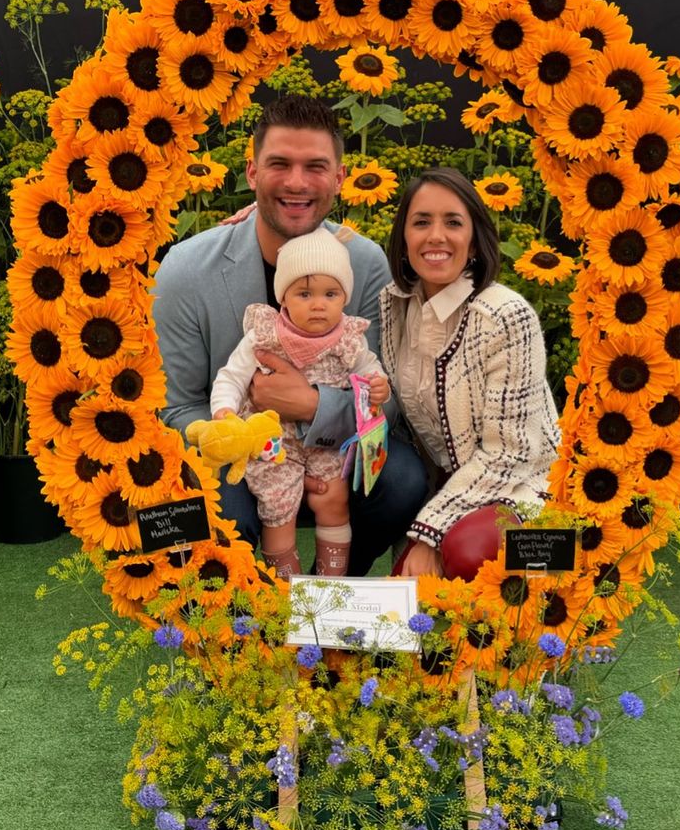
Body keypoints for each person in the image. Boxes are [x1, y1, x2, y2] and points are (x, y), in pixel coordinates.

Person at [154, 95, 428, 574]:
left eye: (316, 166)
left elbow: (387, 398)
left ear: (340, 178)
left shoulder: (364, 265)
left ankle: (339, 591)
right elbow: (177, 406)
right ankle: (254, 607)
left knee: (403, 478)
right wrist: (242, 433)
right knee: (221, 511)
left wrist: (312, 408)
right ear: (253, 172)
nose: (297, 182)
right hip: (240, 451)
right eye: (279, 163)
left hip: (334, 451)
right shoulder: (186, 270)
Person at [379, 167, 561, 579]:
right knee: (406, 602)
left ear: (475, 240)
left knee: (468, 550)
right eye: (421, 222)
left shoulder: (506, 316)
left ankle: (541, 589)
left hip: (521, 484)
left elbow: (510, 455)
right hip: (449, 486)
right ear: (404, 237)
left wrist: (428, 532)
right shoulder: (394, 306)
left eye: (453, 222)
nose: (436, 236)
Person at [208, 227, 390, 578]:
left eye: (331, 293)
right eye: (304, 293)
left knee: (333, 498)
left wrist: (380, 388)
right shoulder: (264, 335)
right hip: (273, 444)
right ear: (284, 298)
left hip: (326, 442)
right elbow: (231, 376)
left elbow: (371, 372)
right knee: (278, 508)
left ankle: (329, 584)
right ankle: (286, 591)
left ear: (344, 297)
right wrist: (225, 413)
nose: (319, 304)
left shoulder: (349, 339)